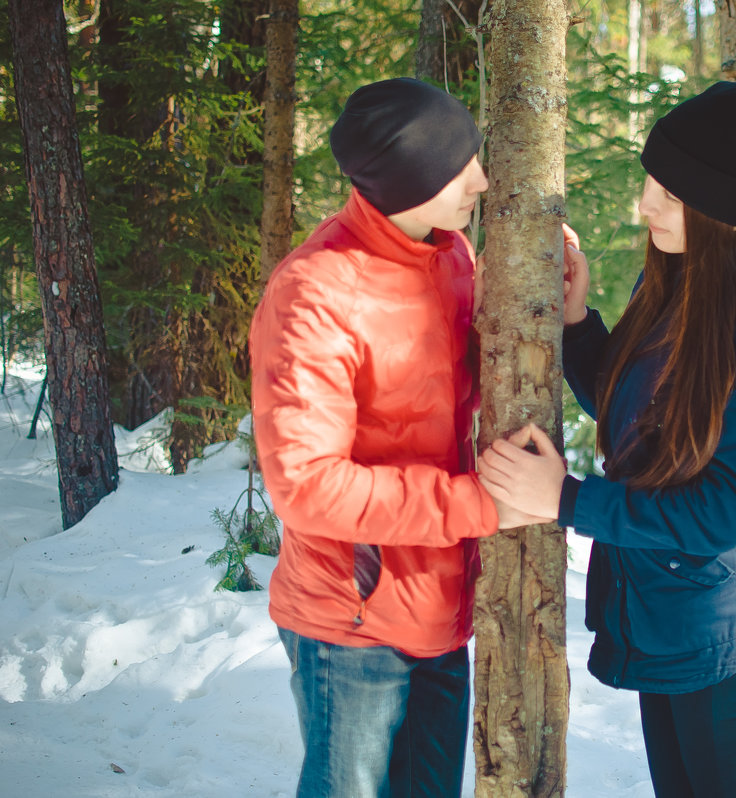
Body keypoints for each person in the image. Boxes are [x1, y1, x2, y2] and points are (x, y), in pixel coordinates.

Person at [478, 79, 736, 798]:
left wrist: (568, 500)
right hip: (668, 614)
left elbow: (724, 511)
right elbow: (641, 414)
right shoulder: (680, 273)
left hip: (728, 637)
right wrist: (576, 322)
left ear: (717, 203)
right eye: (650, 185)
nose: (645, 206)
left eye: (667, 194)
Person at [249, 78, 541, 798]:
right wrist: (482, 507)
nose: (482, 179)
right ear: (405, 180)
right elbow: (307, 486)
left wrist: (544, 291)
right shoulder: (315, 292)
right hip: (355, 625)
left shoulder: (450, 255)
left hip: (441, 610)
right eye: (458, 166)